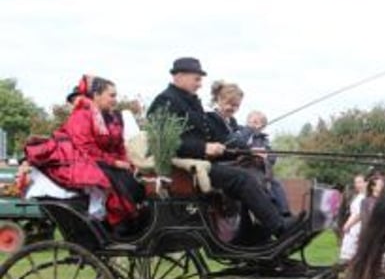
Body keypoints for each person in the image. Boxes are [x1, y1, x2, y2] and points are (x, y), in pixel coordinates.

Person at [147, 57, 302, 240]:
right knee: (243, 178)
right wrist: (204, 147)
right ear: (179, 76)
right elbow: (161, 143)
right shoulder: (165, 101)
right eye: (197, 79)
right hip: (182, 170)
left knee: (247, 173)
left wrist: (247, 151)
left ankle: (250, 236)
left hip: (201, 164)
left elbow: (214, 138)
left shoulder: (190, 101)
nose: (200, 84)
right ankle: (279, 228)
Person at [27, 75, 144, 230]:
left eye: (115, 96)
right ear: (96, 95)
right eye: (111, 95)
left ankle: (132, 223)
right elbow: (85, 147)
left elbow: (118, 144)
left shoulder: (110, 118)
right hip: (82, 160)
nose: (115, 100)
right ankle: (117, 224)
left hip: (102, 160)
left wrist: (126, 161)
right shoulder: (82, 115)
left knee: (132, 179)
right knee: (112, 180)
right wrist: (114, 162)